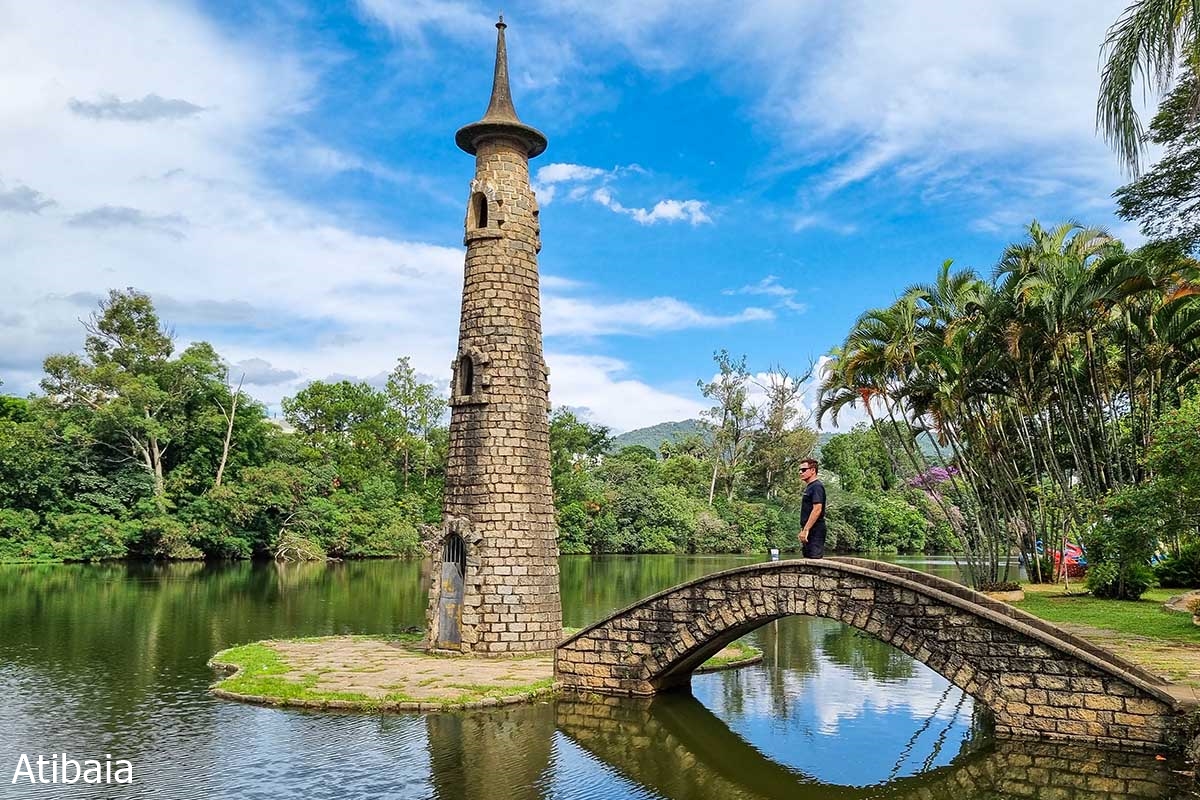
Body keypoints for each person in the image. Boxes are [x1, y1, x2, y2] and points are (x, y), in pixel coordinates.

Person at [798, 459, 826, 558]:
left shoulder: (817, 486)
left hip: (815, 530)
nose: (801, 472)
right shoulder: (810, 487)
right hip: (808, 530)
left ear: (813, 470)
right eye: (800, 470)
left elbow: (817, 509)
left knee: (814, 560)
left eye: (804, 469)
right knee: (807, 559)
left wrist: (806, 530)